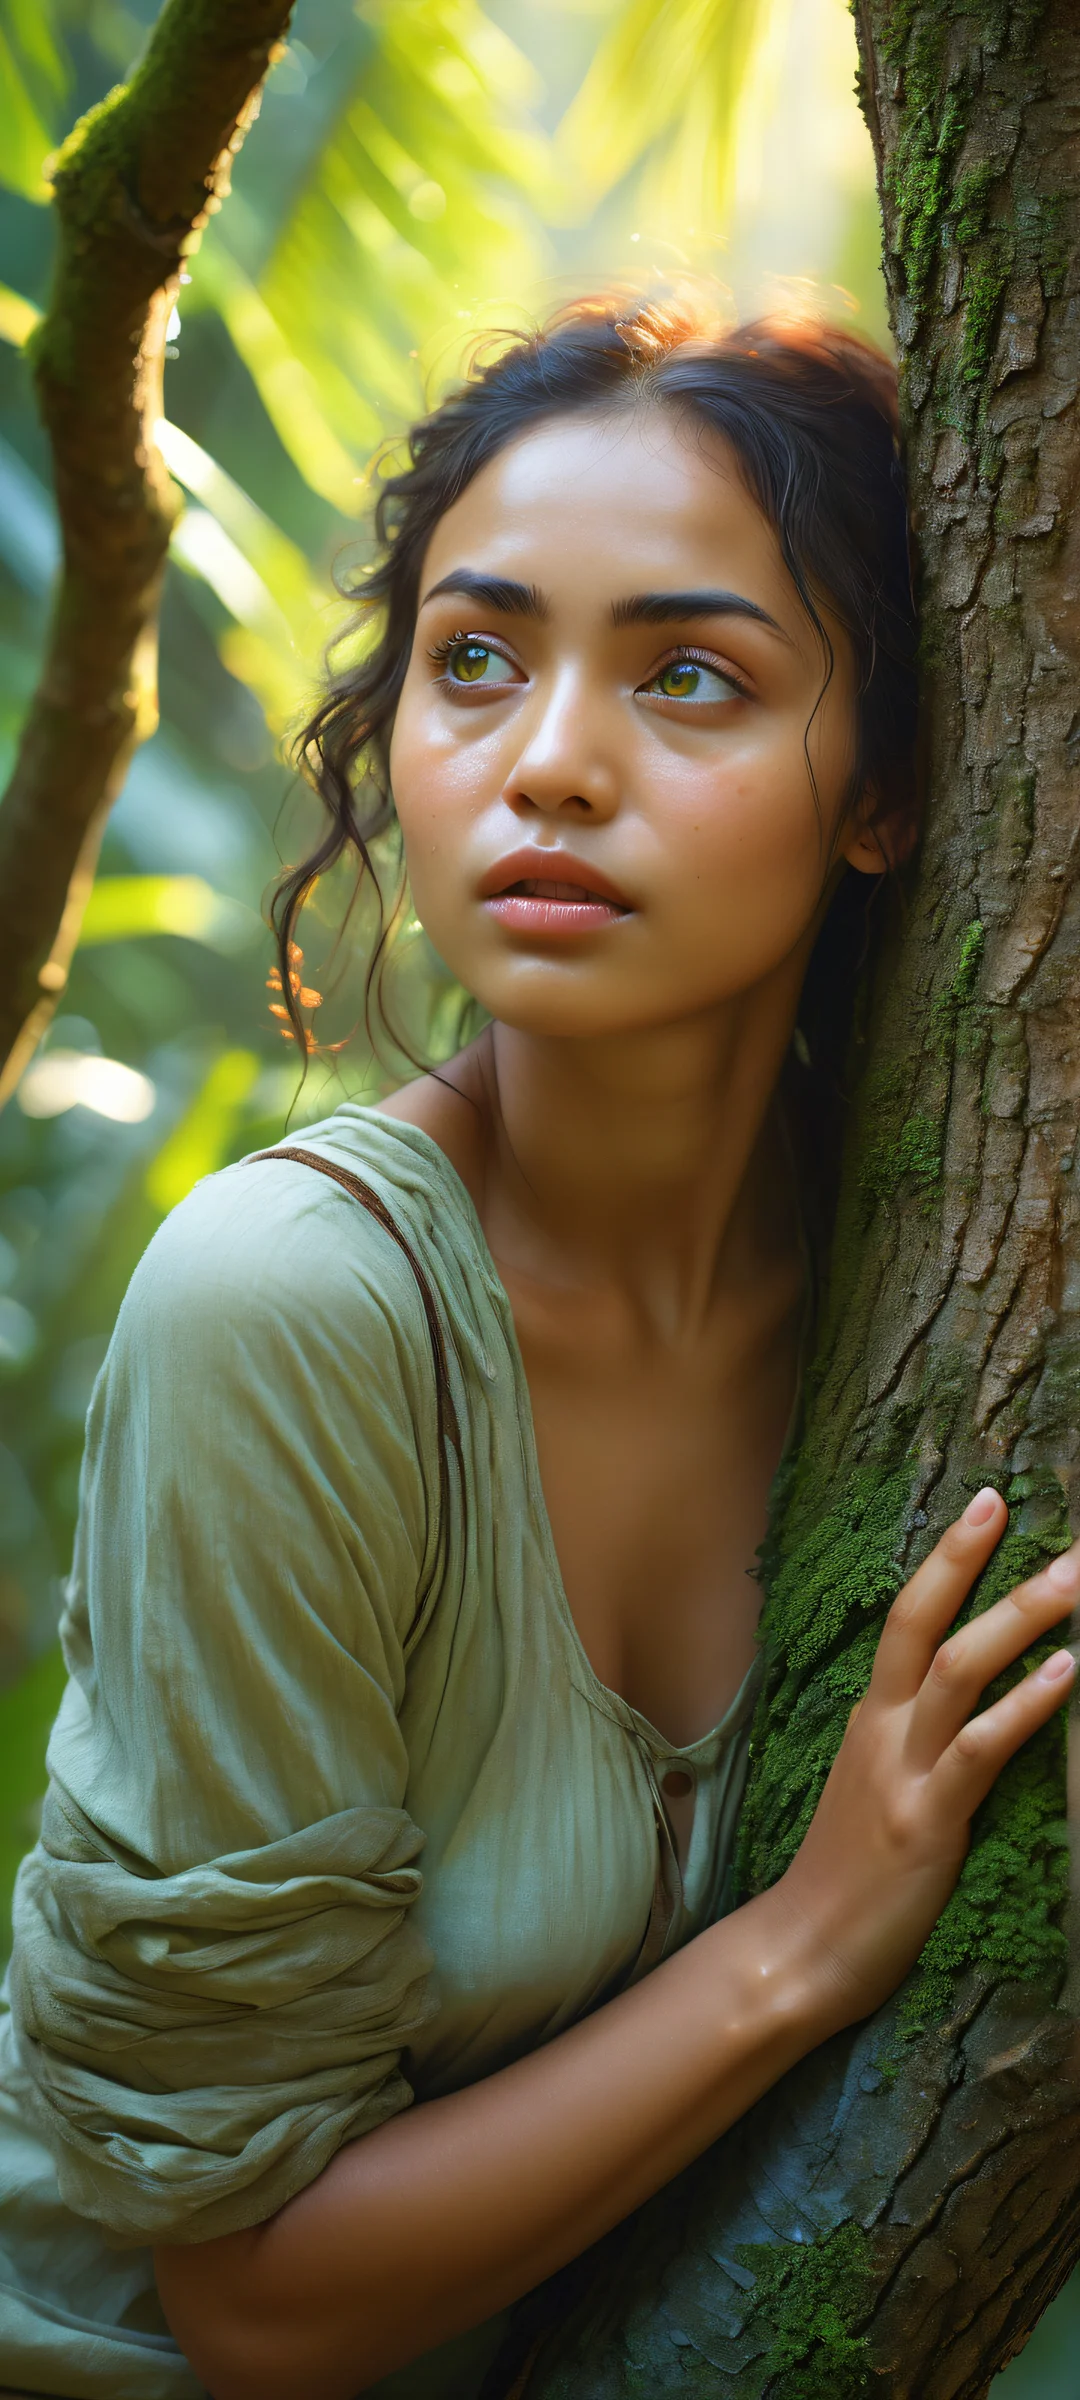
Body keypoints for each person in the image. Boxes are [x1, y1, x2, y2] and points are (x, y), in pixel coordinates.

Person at [0, 294, 1075, 2400]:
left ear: (885, 790)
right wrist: (800, 1945)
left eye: (689, 677)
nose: (549, 761)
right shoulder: (291, 1312)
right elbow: (255, 2300)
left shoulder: (944, 1266)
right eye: (473, 658)